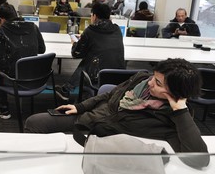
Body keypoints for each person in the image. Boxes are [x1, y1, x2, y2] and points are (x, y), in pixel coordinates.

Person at [24, 58, 209, 168]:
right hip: (89, 119)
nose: (151, 83)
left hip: (106, 145)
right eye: (154, 77)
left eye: (158, 84)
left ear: (176, 93)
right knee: (34, 122)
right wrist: (80, 107)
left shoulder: (172, 117)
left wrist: (180, 111)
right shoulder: (141, 79)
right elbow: (110, 93)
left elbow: (199, 160)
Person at [55, 3, 125, 101]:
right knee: (93, 57)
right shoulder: (117, 29)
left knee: (88, 60)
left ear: (94, 16)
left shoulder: (90, 31)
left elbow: (76, 53)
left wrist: (75, 43)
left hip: (98, 76)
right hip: (119, 75)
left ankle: (67, 89)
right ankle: (66, 89)